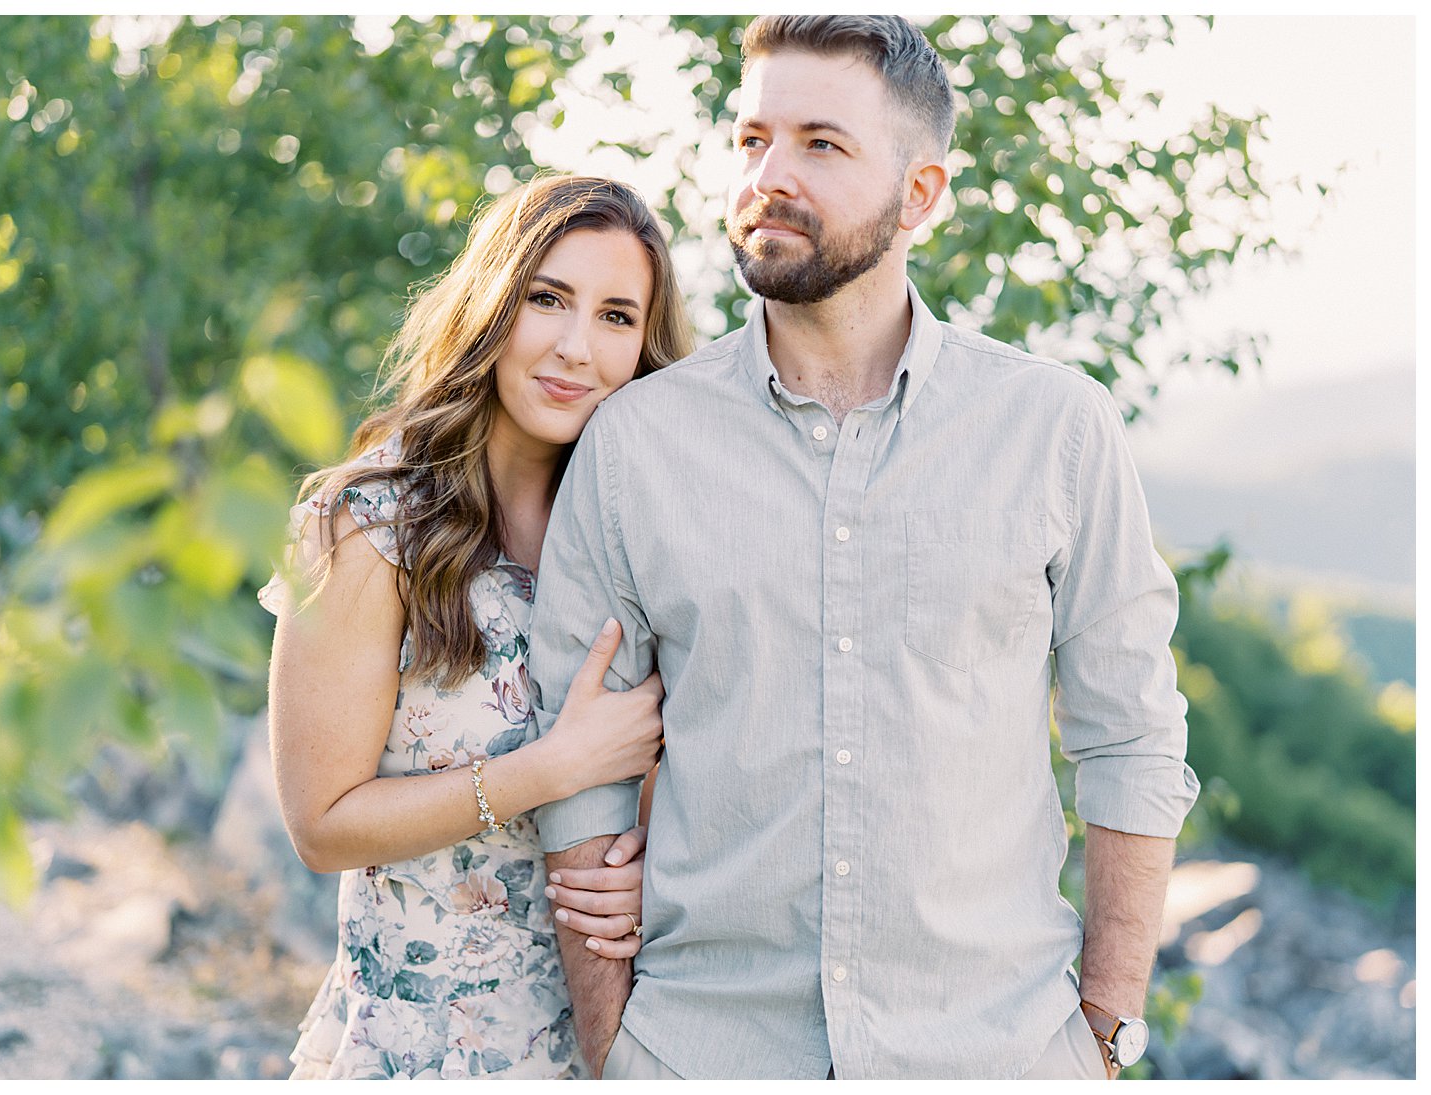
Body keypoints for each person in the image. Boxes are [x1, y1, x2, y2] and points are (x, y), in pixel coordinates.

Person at [528, 15, 1200, 1081]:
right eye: (752, 140)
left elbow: (1131, 743)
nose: (769, 176)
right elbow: (580, 772)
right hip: (702, 1053)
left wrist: (1106, 1026)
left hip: (994, 1053)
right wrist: (614, 1046)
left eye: (820, 145)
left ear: (920, 194)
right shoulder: (636, 444)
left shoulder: (1055, 430)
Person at [259, 174, 695, 1079]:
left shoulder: (643, 545)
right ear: (493, 304)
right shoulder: (371, 526)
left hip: (612, 1044)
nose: (576, 347)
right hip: (416, 1050)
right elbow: (320, 824)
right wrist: (551, 770)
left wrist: (642, 862)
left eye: (617, 317)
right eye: (548, 299)